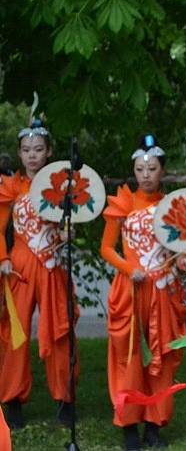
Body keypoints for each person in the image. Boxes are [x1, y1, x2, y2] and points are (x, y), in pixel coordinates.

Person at [100, 134, 186, 450]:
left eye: (152, 168)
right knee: (129, 357)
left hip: (164, 291)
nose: (145, 174)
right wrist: (130, 269)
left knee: (162, 358)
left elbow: (182, 252)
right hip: (130, 291)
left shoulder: (173, 208)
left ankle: (155, 424)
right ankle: (128, 425)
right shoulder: (122, 205)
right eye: (140, 169)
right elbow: (106, 249)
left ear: (162, 171)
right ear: (134, 171)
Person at [0, 118, 77, 429]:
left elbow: (73, 220)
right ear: (20, 154)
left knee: (59, 328)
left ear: (48, 152)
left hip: (51, 262)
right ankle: (12, 398)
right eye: (27, 150)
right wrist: (2, 257)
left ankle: (65, 398)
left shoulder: (59, 185)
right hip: (19, 264)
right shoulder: (10, 187)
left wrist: (68, 233)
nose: (33, 155)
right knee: (15, 332)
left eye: (39, 149)